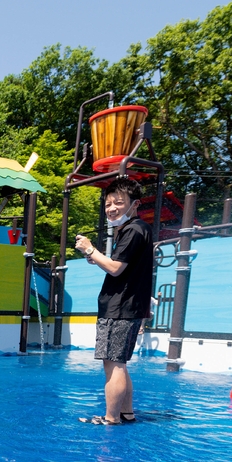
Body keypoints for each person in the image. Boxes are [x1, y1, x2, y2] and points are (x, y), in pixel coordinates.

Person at [74, 177, 152, 425]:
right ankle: (126, 413)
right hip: (129, 307)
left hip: (120, 308)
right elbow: (120, 268)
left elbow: (116, 268)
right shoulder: (140, 229)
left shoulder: (132, 230)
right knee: (120, 363)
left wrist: (89, 249)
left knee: (113, 364)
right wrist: (96, 258)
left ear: (134, 204)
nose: (112, 208)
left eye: (119, 202)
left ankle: (111, 418)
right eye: (108, 204)